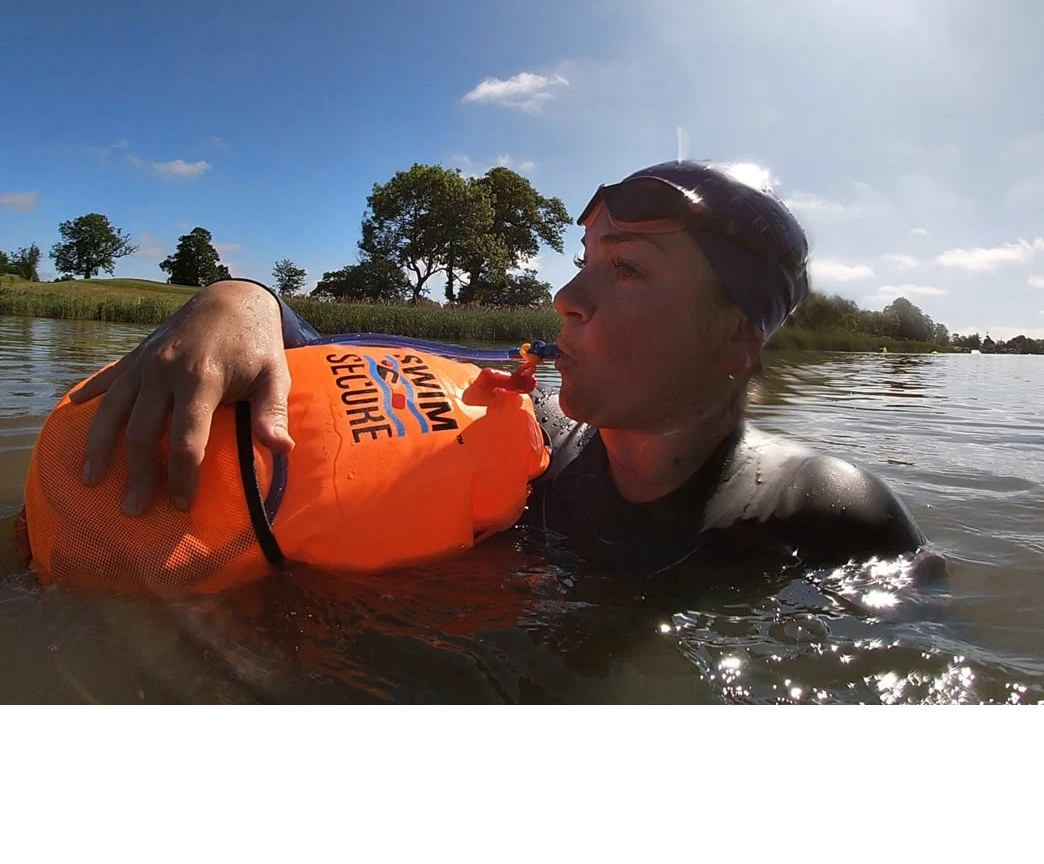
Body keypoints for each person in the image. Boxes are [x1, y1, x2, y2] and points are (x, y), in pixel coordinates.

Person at [70, 160, 927, 579]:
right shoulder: (533, 447)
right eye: (583, 261)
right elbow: (319, 352)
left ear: (735, 340)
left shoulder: (822, 515)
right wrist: (238, 301)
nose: (567, 296)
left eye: (627, 268)